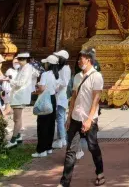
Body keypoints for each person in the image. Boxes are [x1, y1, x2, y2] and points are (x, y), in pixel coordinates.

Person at [58, 48, 104, 187]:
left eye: (81, 59)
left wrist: (89, 120)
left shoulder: (96, 76)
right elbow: (73, 97)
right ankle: (65, 182)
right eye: (78, 59)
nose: (78, 61)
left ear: (88, 60)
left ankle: (100, 173)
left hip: (89, 119)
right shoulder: (77, 76)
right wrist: (68, 117)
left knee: (92, 146)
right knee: (71, 150)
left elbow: (96, 100)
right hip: (75, 117)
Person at [34, 54, 63, 158]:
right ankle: (48, 147)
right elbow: (57, 88)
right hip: (52, 98)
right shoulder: (57, 75)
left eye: (46, 63)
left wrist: (36, 90)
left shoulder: (45, 74)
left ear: (49, 64)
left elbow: (42, 88)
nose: (45, 64)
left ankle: (41, 150)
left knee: (42, 124)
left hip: (45, 98)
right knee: (50, 124)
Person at [7, 52, 38, 147]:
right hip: (18, 95)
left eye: (21, 59)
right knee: (17, 118)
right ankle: (18, 136)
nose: (19, 61)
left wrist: (10, 81)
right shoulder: (24, 68)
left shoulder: (27, 68)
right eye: (18, 59)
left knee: (16, 119)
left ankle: (13, 140)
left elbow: (20, 83)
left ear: (26, 60)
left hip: (20, 96)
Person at [51, 50, 72, 148]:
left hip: (62, 95)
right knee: (61, 117)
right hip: (59, 94)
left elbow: (65, 82)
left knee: (60, 117)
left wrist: (56, 82)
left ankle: (61, 139)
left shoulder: (65, 69)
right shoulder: (62, 68)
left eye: (59, 57)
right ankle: (63, 138)